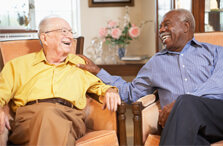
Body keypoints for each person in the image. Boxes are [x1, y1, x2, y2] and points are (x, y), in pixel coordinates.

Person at [77, 9, 223, 145]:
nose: (161, 30)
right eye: (160, 26)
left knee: (185, 102)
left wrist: (177, 105)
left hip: (216, 116)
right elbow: (131, 92)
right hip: (182, 125)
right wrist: (98, 71)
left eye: (167, 25)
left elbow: (219, 84)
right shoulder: (156, 63)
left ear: (185, 26)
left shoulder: (215, 52)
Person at [0, 16, 121, 145]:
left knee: (50, 117)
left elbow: (98, 86)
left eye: (71, 32)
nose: (70, 36)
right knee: (50, 118)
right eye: (63, 31)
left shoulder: (79, 64)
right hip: (29, 119)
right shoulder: (17, 65)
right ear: (44, 38)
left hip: (70, 117)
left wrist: (111, 90)